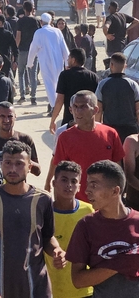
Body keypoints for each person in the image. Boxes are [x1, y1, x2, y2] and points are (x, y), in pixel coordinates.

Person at [0, 141, 65, 298]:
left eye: (19, 164)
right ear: (1, 164)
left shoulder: (43, 199)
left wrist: (57, 251)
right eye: (8, 163)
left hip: (36, 286)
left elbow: (47, 237)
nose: (12, 169)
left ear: (30, 166)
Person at [68, 160, 139, 296]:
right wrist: (121, 263)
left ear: (115, 191)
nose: (87, 191)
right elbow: (77, 280)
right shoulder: (86, 226)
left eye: (94, 185)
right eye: (88, 184)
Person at [49, 91, 124, 201]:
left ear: (95, 110)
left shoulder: (110, 134)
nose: (78, 111)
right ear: (70, 109)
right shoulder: (64, 137)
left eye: (83, 107)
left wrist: (118, 199)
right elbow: (59, 172)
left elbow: (118, 169)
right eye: (75, 107)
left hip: (106, 202)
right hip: (78, 203)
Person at [46, 161, 95, 298]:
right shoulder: (44, 211)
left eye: (74, 181)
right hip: (51, 289)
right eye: (64, 180)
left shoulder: (88, 210)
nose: (69, 185)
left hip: (83, 290)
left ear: (79, 187)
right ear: (54, 183)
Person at [28, 13, 70, 114]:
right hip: (59, 61)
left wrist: (30, 62)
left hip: (45, 62)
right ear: (51, 21)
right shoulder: (57, 31)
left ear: (41, 22)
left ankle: (53, 106)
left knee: (49, 84)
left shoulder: (39, 32)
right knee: (57, 83)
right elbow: (64, 48)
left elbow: (33, 49)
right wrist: (68, 62)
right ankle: (55, 105)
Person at [50, 48, 99, 132]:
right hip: (89, 123)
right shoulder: (93, 77)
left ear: (73, 60)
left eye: (68, 58)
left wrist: (53, 120)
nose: (67, 60)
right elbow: (97, 102)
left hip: (70, 121)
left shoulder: (65, 75)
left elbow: (59, 100)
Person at [0, 102, 42, 175]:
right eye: (2, 116)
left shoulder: (25, 140)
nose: (6, 120)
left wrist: (23, 160)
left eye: (10, 116)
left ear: (15, 117)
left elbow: (37, 172)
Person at [96, 52, 139, 141]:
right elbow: (138, 110)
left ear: (111, 65)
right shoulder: (133, 85)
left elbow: (98, 110)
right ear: (125, 66)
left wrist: (97, 129)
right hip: (130, 130)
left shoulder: (102, 84)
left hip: (109, 129)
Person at [16, 1, 40, 104]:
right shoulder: (36, 21)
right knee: (33, 73)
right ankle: (33, 97)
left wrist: (15, 49)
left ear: (24, 9)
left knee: (21, 73)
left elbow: (18, 37)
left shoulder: (20, 21)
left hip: (23, 49)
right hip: (34, 50)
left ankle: (22, 95)